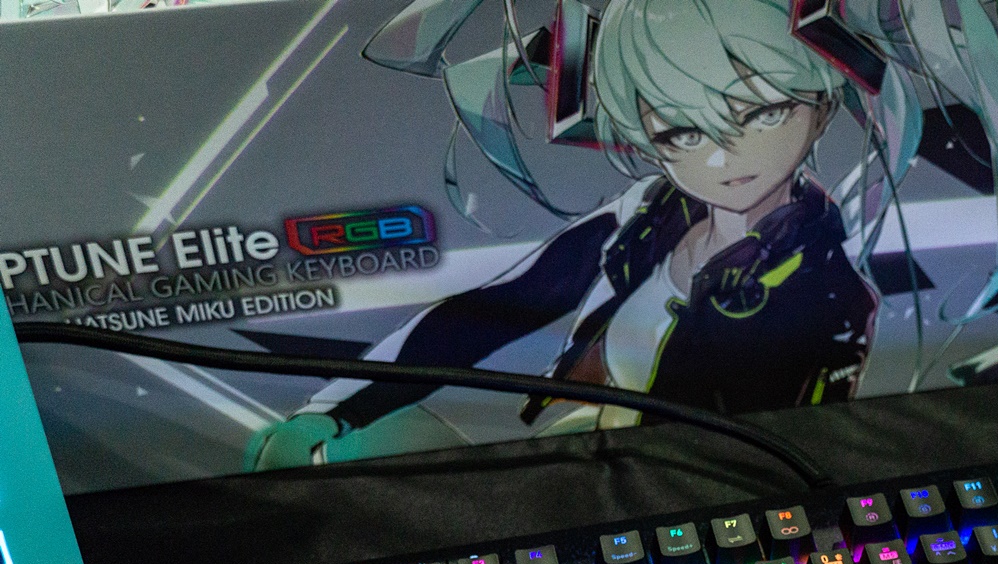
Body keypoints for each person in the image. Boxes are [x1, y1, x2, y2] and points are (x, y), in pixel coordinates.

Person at [248, 0, 881, 469]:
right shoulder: (650, 212)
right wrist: (335, 408)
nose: (721, 158)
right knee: (377, 448)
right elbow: (494, 310)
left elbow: (767, 460)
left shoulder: (829, 294)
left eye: (764, 114)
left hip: (663, 522)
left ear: (821, 104)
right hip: (565, 474)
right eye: (682, 133)